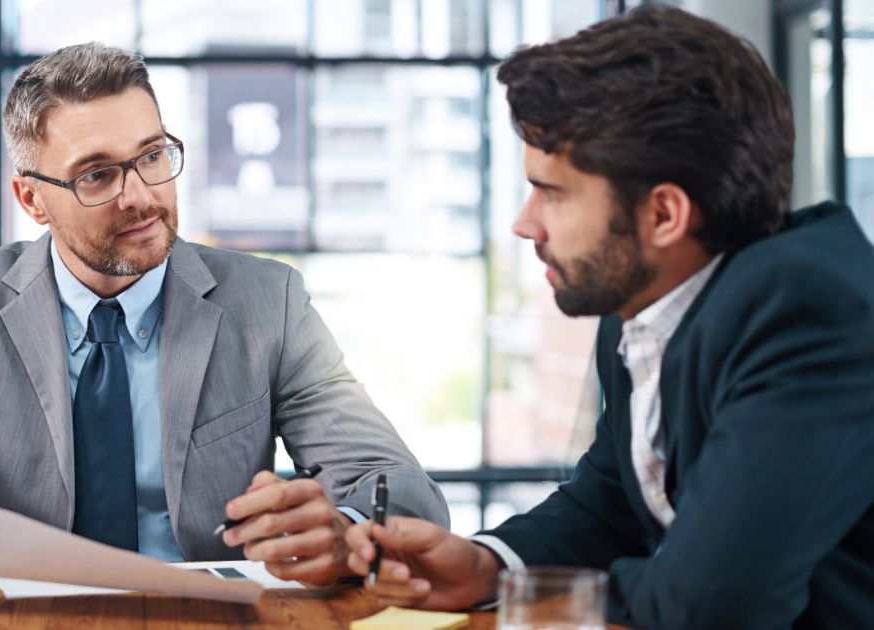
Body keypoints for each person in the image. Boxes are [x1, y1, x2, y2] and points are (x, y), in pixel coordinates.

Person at [0, 42, 449, 592]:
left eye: (152, 156)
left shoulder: (266, 302)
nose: (141, 195)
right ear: (32, 199)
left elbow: (406, 492)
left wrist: (345, 529)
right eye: (97, 175)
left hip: (213, 618)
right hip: (31, 615)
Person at [343, 5, 874, 628]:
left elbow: (712, 603)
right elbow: (614, 501)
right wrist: (490, 566)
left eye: (552, 192)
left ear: (664, 215)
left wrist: (544, 595)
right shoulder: (644, 305)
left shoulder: (808, 308)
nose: (524, 224)